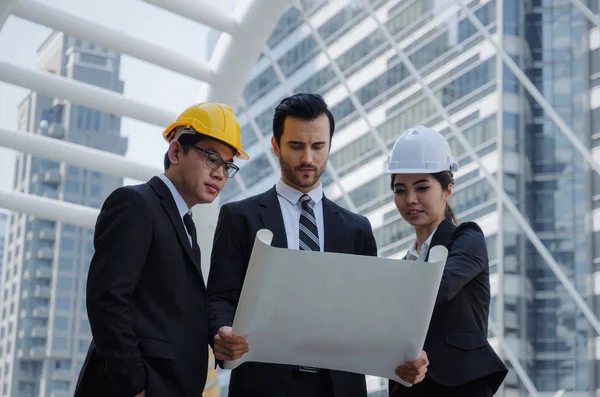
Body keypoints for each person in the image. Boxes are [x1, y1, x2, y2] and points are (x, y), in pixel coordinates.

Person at [207, 93, 428, 397]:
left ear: (329, 146)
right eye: (297, 146)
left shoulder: (357, 229)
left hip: (340, 387)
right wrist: (221, 332)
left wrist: (406, 356)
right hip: (263, 384)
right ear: (276, 146)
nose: (308, 158)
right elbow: (220, 296)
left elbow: (371, 315)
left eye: (317, 146)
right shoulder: (239, 217)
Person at [73, 102, 249, 397]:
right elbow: (107, 300)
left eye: (228, 166)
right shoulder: (135, 204)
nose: (220, 174)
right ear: (176, 152)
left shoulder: (186, 226)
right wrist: (135, 386)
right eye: (212, 159)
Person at [384, 125, 508, 397]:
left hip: (461, 387)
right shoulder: (404, 263)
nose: (411, 200)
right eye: (400, 190)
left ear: (447, 190)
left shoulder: (467, 239)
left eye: (422, 187)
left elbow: (439, 286)